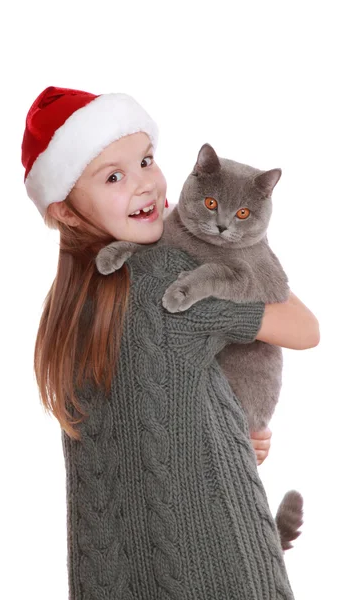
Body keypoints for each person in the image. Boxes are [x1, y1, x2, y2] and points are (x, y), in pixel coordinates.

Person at [21, 86, 319, 600]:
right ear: (67, 211)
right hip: (220, 568)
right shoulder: (167, 276)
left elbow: (146, 425)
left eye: (146, 160)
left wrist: (224, 431)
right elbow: (305, 328)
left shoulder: (69, 307)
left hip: (110, 573)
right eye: (114, 176)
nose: (144, 185)